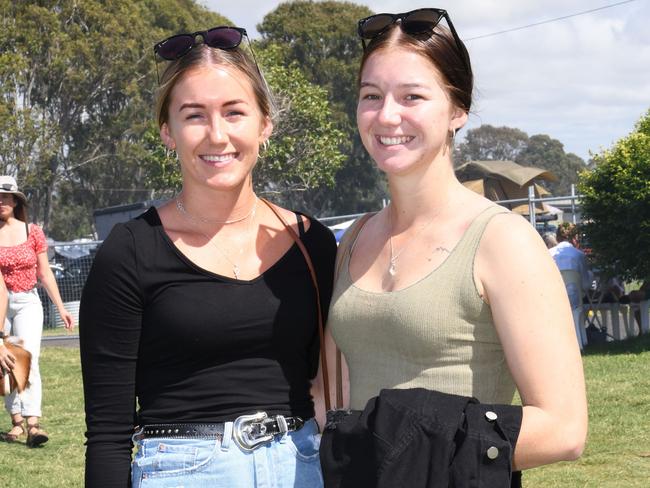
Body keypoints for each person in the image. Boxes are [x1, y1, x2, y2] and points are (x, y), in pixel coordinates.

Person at [325, 8, 587, 483]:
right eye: (371, 96)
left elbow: (565, 429)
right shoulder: (354, 238)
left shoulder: (502, 241)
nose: (387, 115)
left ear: (457, 110)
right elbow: (334, 399)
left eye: (412, 96)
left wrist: (410, 449)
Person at [79, 26, 336, 488]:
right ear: (167, 132)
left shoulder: (312, 242)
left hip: (302, 467)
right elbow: (107, 434)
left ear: (265, 124)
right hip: (181, 471)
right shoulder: (129, 251)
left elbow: (329, 382)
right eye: (194, 116)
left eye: (234, 113)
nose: (217, 135)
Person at [0, 175, 74, 447]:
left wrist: (61, 307)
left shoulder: (33, 232)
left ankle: (33, 423)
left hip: (28, 302)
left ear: (15, 201)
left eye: (6, 197)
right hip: (0, 305)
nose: (1, 202)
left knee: (28, 358)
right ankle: (16, 421)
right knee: (7, 364)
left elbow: (45, 274)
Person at [550, 222, 593, 309]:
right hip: (575, 300)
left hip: (553, 299)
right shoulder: (579, 255)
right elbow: (586, 285)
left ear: (557, 238)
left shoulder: (549, 253)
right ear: (574, 238)